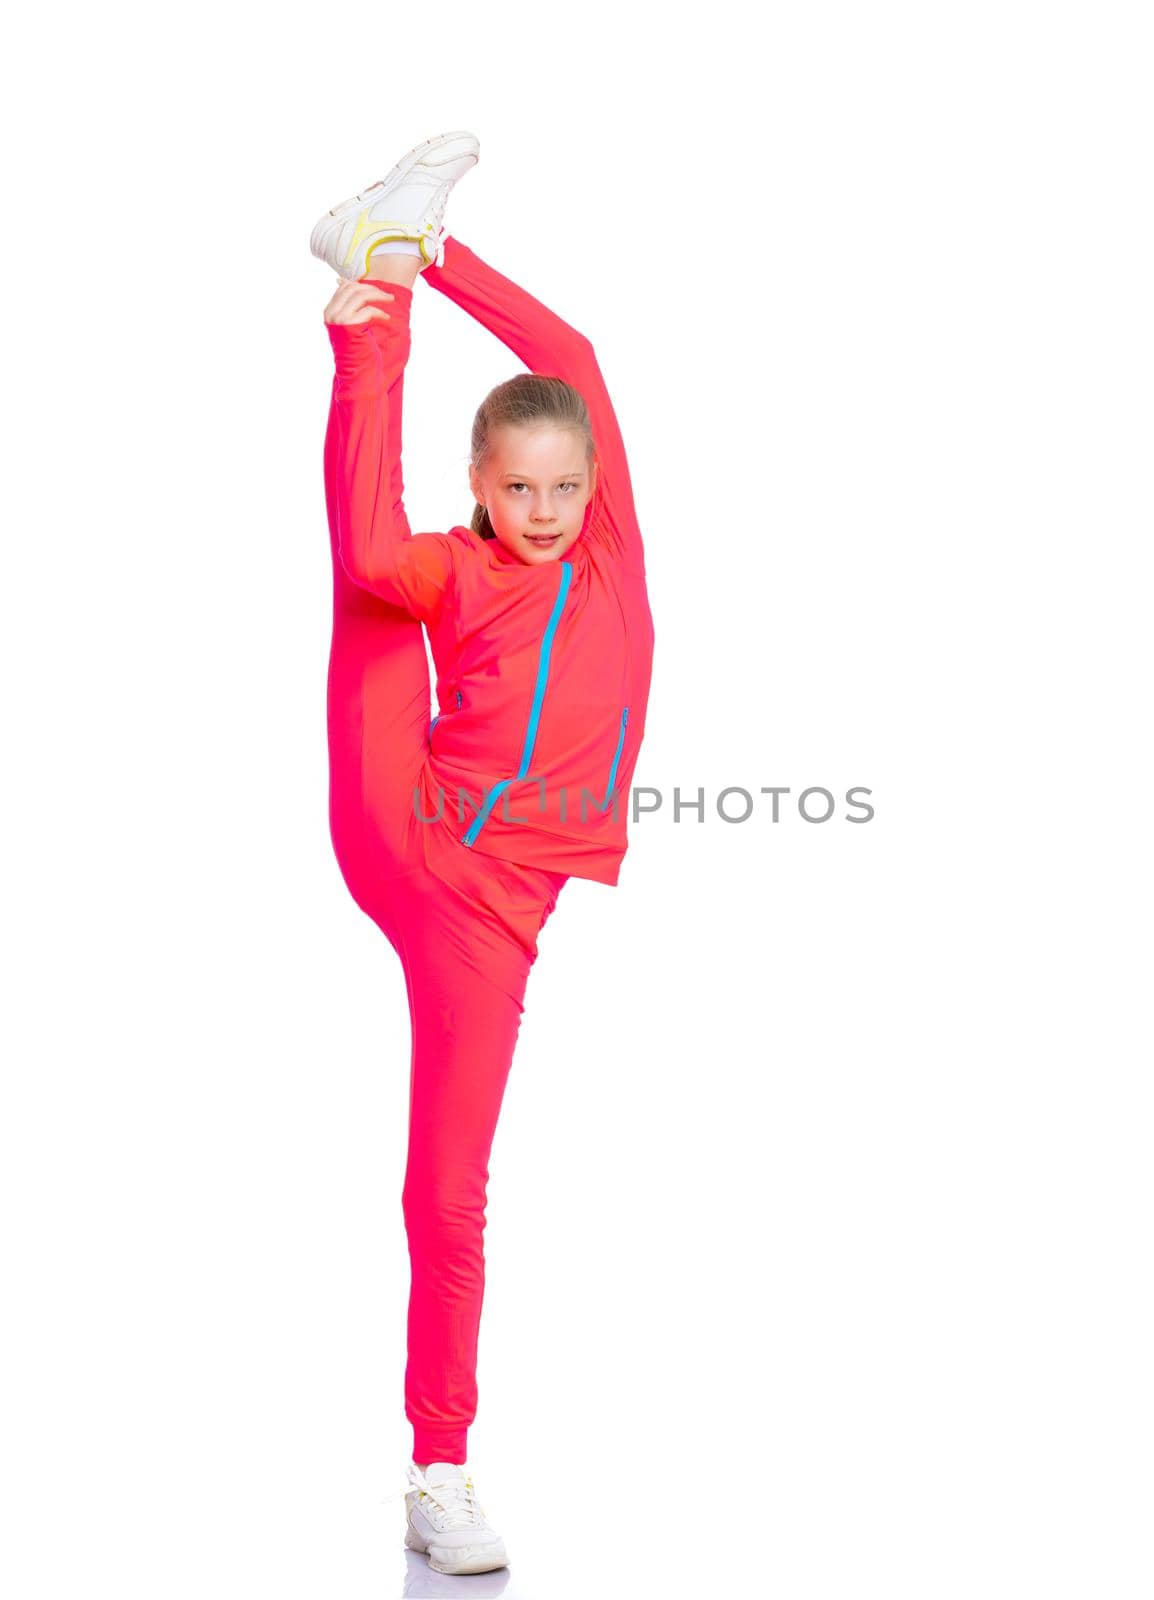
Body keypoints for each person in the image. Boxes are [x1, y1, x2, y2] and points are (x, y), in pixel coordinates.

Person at [311, 131, 654, 1575]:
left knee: (450, 1180)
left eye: (563, 490)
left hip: (506, 910)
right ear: (484, 480)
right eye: (519, 491)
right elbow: (382, 554)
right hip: (419, 837)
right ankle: (442, 1468)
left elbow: (568, 346)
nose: (545, 514)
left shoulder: (612, 545)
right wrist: (377, 343)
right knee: (376, 591)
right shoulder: (462, 560)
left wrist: (436, 253)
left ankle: (376, 252)